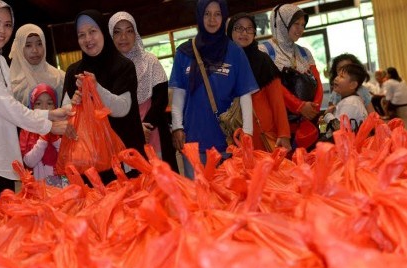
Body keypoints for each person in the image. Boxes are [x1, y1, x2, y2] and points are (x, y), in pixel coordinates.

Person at [0, 0, 72, 199]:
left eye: (8, 25)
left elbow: (8, 105)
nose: (2, 30)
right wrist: (49, 124)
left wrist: (50, 113)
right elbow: (7, 106)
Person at [169, 0, 258, 179]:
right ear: (200, 16)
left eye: (217, 14)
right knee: (197, 198)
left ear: (224, 16)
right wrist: (177, 126)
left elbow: (245, 95)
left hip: (227, 141)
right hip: (192, 140)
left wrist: (247, 134)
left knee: (228, 198)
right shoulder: (184, 52)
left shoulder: (235, 52)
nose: (212, 19)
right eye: (207, 14)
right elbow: (179, 94)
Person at [62, 9, 145, 184]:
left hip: (123, 158)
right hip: (89, 162)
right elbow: (65, 113)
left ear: (103, 32)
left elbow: (123, 108)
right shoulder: (73, 72)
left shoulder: (123, 66)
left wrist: (95, 88)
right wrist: (75, 103)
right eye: (81, 35)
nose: (87, 39)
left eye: (92, 32)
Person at [108, 11, 179, 172]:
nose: (123, 37)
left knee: (161, 178)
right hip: (122, 131)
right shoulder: (107, 68)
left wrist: (145, 127)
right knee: (133, 180)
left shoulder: (150, 61)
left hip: (153, 128)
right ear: (110, 36)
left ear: (136, 34)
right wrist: (134, 128)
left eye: (129, 30)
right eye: (117, 32)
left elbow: (161, 97)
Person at [258, 4, 323, 150]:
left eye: (302, 24)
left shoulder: (305, 52)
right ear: (282, 23)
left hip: (307, 125)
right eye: (295, 24)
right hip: (279, 128)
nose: (300, 29)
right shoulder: (264, 51)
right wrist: (300, 106)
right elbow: (272, 86)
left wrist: (314, 108)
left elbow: (318, 82)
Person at [227, 12, 291, 152]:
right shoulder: (223, 63)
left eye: (249, 28)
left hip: (263, 130)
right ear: (229, 32)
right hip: (233, 133)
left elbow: (277, 101)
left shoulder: (262, 60)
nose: (245, 33)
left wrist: (284, 133)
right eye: (239, 28)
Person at [20, 83, 67, 187]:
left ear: (56, 106)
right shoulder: (27, 131)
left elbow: (68, 159)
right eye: (38, 104)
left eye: (49, 103)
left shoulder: (63, 127)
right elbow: (29, 162)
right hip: (38, 189)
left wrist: (56, 140)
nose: (44, 108)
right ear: (31, 107)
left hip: (63, 188)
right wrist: (43, 139)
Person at [9, 23, 65, 107]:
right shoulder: (10, 83)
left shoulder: (60, 77)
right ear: (19, 49)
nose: (35, 50)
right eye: (28, 45)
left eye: (39, 44)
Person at [323, 63, 369, 139]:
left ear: (352, 85)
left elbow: (341, 130)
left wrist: (327, 115)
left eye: (341, 76)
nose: (336, 78)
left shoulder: (350, 103)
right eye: (337, 75)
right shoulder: (352, 100)